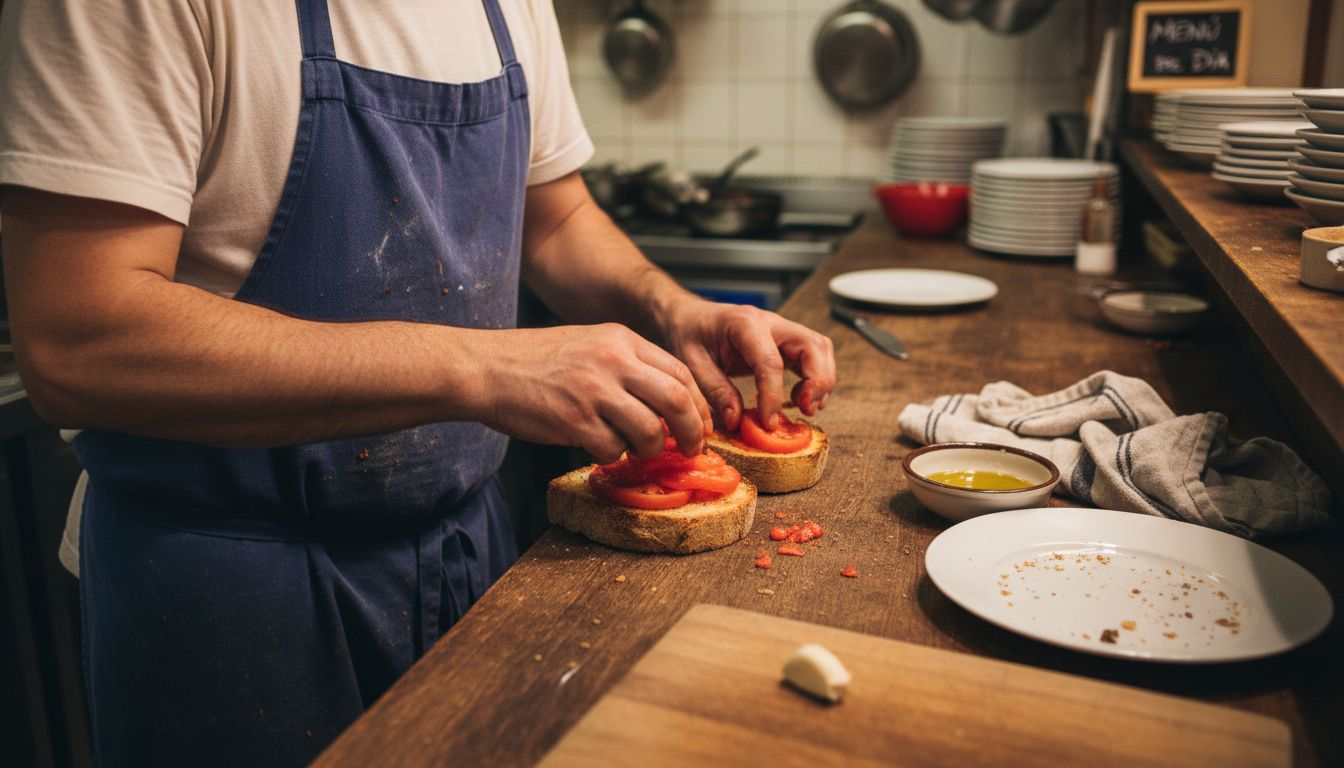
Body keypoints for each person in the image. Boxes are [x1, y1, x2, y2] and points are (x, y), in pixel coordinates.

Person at [0, 0, 836, 766]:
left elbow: (558, 218)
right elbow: (81, 341)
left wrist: (672, 306)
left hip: (470, 556)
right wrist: (484, 364)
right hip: (229, 598)